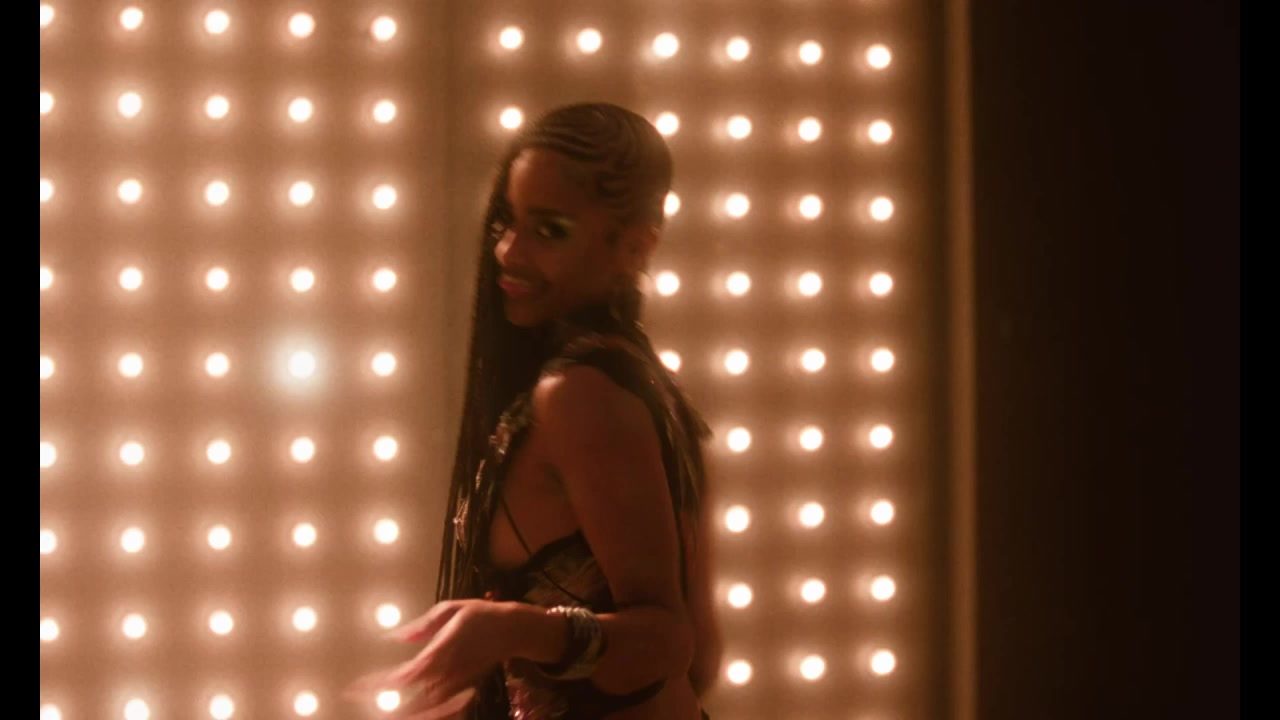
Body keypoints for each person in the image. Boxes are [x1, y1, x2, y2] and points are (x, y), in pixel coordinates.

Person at [347, 103, 723, 719]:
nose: (508, 251)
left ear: (636, 246)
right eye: (507, 221)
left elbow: (671, 643)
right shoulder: (652, 391)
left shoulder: (580, 396)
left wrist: (515, 630)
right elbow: (703, 659)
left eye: (549, 230)